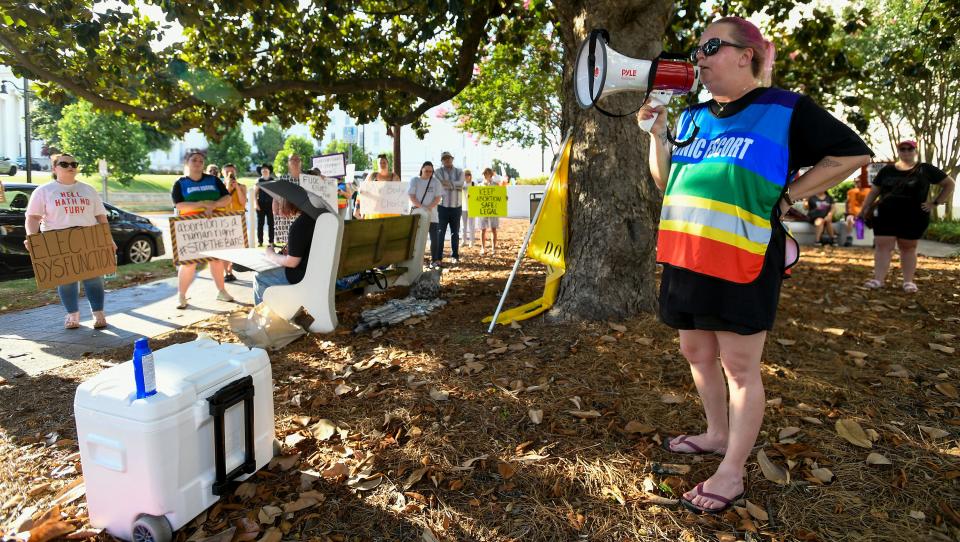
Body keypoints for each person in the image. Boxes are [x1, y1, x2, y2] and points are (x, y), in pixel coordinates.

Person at [641, 16, 872, 514]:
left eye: (711, 47)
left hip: (743, 257)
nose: (698, 57)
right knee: (695, 351)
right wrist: (657, 135)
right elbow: (667, 184)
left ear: (746, 54)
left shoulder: (784, 108)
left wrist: (790, 195)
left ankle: (732, 473)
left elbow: (852, 154)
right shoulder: (695, 116)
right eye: (697, 48)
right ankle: (717, 433)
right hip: (687, 254)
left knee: (740, 368)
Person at [24, 153, 117, 329]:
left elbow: (101, 217)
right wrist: (32, 237)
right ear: (54, 168)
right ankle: (72, 316)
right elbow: (33, 217)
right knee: (66, 279)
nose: (70, 167)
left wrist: (108, 239)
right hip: (58, 239)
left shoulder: (88, 190)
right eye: (64, 164)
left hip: (88, 237)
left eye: (74, 163)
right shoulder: (43, 191)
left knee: (94, 278)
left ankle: (99, 314)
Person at [860, 139, 955, 292]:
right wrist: (864, 208)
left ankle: (908, 282)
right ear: (898, 151)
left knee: (908, 247)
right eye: (902, 149)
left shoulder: (925, 169)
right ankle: (878, 280)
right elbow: (874, 191)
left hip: (913, 215)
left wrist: (935, 203)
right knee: (883, 245)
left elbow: (949, 184)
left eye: (909, 149)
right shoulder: (887, 170)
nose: (906, 152)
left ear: (915, 151)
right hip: (886, 214)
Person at [171, 152, 234, 308]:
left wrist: (213, 205)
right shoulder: (180, 183)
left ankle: (221, 291)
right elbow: (179, 205)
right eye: (194, 160)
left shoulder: (213, 180)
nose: (198, 163)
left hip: (213, 226)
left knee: (216, 260)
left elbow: (227, 198)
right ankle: (182, 296)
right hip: (190, 227)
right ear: (187, 162)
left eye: (201, 160)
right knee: (189, 263)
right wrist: (203, 205)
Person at [253, 196, 314, 304]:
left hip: (304, 276)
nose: (277, 210)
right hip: (320, 272)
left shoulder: (300, 224)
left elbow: (292, 262)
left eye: (278, 202)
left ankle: (264, 315)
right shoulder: (317, 218)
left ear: (285, 202)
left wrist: (270, 254)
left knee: (260, 276)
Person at [408, 161, 443, 267]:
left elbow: (438, 198)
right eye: (426, 170)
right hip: (417, 214)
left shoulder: (436, 182)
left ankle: (435, 259)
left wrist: (428, 207)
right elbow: (411, 196)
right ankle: (415, 260)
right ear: (421, 169)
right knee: (416, 238)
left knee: (434, 238)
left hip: (432, 215)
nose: (428, 173)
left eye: (430, 171)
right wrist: (422, 207)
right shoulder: (415, 180)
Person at [434, 151, 465, 265]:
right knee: (440, 232)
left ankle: (455, 256)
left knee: (455, 233)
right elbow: (439, 184)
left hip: (456, 207)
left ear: (452, 159)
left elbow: (461, 184)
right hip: (442, 207)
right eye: (444, 159)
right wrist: (454, 185)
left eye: (448, 158)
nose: (447, 160)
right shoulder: (437, 172)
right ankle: (438, 257)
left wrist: (447, 184)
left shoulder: (459, 171)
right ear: (442, 161)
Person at [356, 154, 401, 219]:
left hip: (390, 211)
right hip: (373, 211)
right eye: (380, 163)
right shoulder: (372, 175)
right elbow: (362, 190)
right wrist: (358, 208)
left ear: (388, 163)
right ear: (377, 164)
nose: (382, 164)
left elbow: (399, 192)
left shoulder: (394, 176)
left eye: (384, 162)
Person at [222, 163, 247, 282]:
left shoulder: (242, 186)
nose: (229, 174)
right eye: (227, 172)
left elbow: (243, 203)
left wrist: (236, 187)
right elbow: (222, 203)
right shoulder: (220, 187)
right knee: (224, 248)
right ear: (223, 173)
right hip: (224, 220)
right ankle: (227, 272)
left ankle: (232, 268)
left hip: (238, 220)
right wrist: (228, 188)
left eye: (231, 172)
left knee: (236, 248)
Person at [843, 174, 871, 246]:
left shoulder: (868, 191)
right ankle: (849, 238)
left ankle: (874, 241)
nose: (857, 183)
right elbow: (847, 203)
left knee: (860, 220)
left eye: (859, 182)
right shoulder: (851, 192)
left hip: (864, 214)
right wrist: (847, 213)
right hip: (853, 215)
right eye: (856, 182)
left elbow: (871, 204)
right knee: (849, 219)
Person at [479, 168, 501, 255]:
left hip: (493, 209)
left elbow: (501, 196)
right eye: (485, 173)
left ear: (491, 174)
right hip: (483, 209)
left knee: (493, 229)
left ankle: (493, 248)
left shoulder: (496, 185)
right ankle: (483, 248)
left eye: (487, 173)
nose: (486, 175)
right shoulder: (479, 186)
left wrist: (504, 198)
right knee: (482, 229)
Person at [254, 164, 275, 246]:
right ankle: (260, 241)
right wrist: (256, 204)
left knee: (271, 224)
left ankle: (271, 241)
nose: (264, 171)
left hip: (271, 204)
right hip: (261, 204)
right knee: (260, 224)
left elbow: (275, 194)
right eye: (263, 170)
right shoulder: (259, 181)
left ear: (269, 171)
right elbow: (255, 193)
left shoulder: (273, 180)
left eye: (266, 169)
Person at [461, 169, 477, 247]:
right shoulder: (461, 184)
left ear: (470, 176)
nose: (467, 176)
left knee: (471, 226)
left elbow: (478, 195)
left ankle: (471, 241)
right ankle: (463, 241)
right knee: (463, 226)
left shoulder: (474, 184)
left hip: (472, 208)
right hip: (463, 208)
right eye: (465, 175)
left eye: (468, 174)